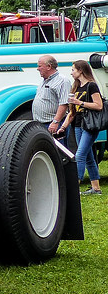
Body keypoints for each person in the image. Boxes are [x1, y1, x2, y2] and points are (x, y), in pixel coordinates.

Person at [62, 59, 103, 195]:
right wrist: (63, 127)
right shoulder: (76, 87)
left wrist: (80, 102)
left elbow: (99, 105)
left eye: (73, 69)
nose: (71, 72)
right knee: (88, 157)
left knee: (79, 155)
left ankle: (74, 187)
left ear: (80, 70)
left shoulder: (91, 86)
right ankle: (96, 188)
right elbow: (72, 112)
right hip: (78, 125)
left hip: (90, 125)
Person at [34, 55, 70, 136]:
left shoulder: (62, 81)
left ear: (49, 66)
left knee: (57, 148)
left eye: (40, 66)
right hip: (41, 124)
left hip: (53, 125)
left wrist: (55, 122)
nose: (37, 69)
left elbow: (64, 104)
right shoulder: (44, 80)